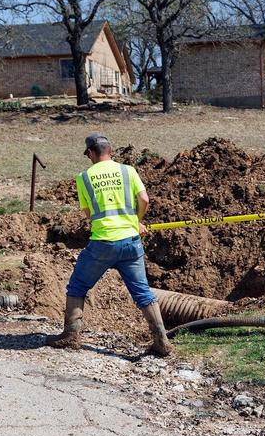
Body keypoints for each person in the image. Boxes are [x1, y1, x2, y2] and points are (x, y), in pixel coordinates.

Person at [46, 133, 172, 356]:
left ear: (92, 153)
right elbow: (144, 199)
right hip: (131, 242)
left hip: (103, 243)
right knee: (143, 292)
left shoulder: (84, 177)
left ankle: (70, 335)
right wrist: (136, 221)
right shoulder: (128, 171)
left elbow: (88, 213)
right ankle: (161, 340)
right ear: (110, 151)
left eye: (88, 154)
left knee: (77, 286)